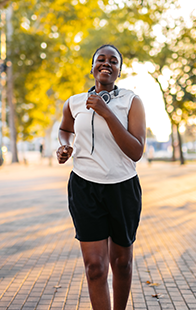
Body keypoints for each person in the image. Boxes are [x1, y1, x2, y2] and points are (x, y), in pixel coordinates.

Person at [56, 44, 146, 310]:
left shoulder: (131, 101)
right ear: (92, 66)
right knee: (95, 267)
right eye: (101, 60)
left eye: (113, 61)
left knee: (122, 263)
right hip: (85, 186)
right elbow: (64, 128)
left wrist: (106, 112)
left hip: (122, 188)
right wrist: (64, 145)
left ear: (119, 70)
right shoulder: (74, 102)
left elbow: (136, 151)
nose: (107, 64)